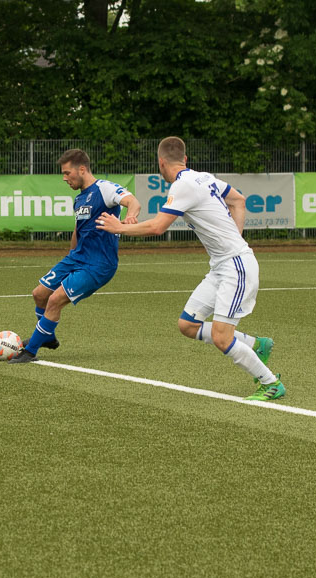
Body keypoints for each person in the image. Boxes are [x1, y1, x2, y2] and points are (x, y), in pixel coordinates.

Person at [96, 137, 284, 401]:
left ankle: (270, 382)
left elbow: (157, 227)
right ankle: (255, 345)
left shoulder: (182, 185)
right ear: (184, 159)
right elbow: (239, 200)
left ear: (160, 162)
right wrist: (236, 238)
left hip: (236, 267)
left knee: (221, 337)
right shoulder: (203, 177)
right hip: (222, 266)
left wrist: (120, 228)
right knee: (187, 324)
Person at [8, 148, 142, 363]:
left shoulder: (104, 189)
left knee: (54, 300)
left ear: (82, 169)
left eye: (67, 173)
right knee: (39, 294)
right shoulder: (79, 199)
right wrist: (70, 255)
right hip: (77, 258)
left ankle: (31, 350)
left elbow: (133, 202)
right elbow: (78, 230)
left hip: (98, 264)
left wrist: (130, 218)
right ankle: (48, 337)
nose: (64, 178)